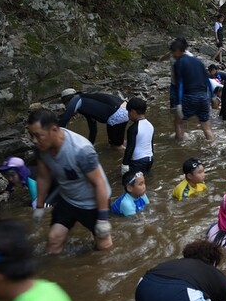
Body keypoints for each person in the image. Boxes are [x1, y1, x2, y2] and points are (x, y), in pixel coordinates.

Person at [27, 108, 112, 254]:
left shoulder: (81, 150)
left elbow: (99, 183)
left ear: (54, 129)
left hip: (92, 203)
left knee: (104, 247)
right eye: (31, 135)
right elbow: (43, 176)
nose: (34, 141)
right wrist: (40, 206)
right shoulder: (41, 148)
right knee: (54, 239)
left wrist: (103, 219)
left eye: (38, 135)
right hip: (68, 200)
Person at [170, 38, 215, 142]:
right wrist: (212, 96)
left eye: (173, 52)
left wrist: (179, 103)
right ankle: (211, 145)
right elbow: (207, 80)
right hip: (204, 97)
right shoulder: (198, 61)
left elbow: (180, 84)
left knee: (178, 122)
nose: (172, 55)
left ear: (178, 51)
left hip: (189, 97)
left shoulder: (179, 63)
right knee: (206, 127)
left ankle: (180, 147)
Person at [58, 89, 127, 149]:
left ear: (67, 100)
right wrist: (91, 145)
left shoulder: (76, 99)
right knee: (116, 142)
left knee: (116, 146)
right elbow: (93, 129)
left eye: (65, 104)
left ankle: (127, 158)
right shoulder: (87, 102)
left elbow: (65, 118)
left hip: (116, 113)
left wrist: (56, 131)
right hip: (125, 110)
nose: (66, 107)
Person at [121, 96, 154, 176]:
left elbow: (130, 148)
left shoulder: (133, 129)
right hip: (150, 158)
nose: (128, 115)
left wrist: (124, 164)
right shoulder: (150, 126)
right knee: (144, 180)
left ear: (133, 112)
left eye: (128, 112)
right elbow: (151, 145)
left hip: (138, 161)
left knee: (134, 182)